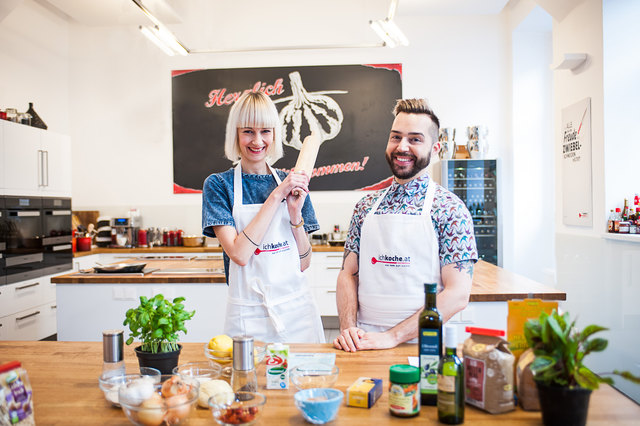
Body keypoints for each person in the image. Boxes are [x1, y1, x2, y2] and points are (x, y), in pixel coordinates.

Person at [334, 98, 477, 352]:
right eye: (395, 137)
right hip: (363, 342)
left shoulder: (450, 210)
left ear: (434, 148)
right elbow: (348, 274)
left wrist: (392, 337)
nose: (402, 147)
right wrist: (348, 329)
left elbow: (457, 295)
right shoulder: (365, 207)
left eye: (415, 139)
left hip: (423, 344)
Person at [202, 91, 325, 343]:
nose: (257, 141)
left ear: (275, 134)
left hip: (296, 312)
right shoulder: (218, 185)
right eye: (248, 131)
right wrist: (277, 195)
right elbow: (239, 254)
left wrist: (294, 215)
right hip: (249, 316)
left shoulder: (293, 182)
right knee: (249, 381)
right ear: (235, 134)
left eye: (265, 131)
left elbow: (304, 263)